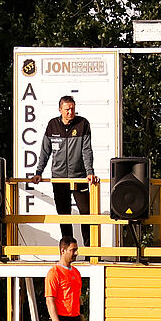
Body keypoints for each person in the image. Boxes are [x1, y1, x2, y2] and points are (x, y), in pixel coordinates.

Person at [33, 95, 98, 245]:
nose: (70, 112)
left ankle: (89, 251)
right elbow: (45, 151)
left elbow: (87, 150)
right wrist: (38, 172)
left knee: (86, 214)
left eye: (73, 109)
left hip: (79, 177)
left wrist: (89, 172)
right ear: (60, 110)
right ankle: (68, 251)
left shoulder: (83, 124)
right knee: (64, 215)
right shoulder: (52, 125)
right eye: (67, 109)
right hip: (59, 178)